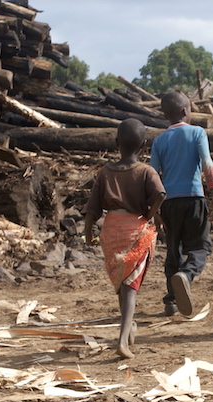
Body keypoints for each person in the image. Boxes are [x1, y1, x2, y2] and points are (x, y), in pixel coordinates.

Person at [82, 118, 166, 358]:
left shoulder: (106, 172)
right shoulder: (145, 171)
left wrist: (88, 231)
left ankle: (129, 331)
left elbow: (92, 207)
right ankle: (122, 342)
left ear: (117, 143)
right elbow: (160, 193)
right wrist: (150, 215)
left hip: (111, 230)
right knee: (130, 286)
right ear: (144, 145)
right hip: (134, 230)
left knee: (123, 283)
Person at [150, 91, 213, 317]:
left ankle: (171, 301)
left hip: (169, 203)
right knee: (200, 247)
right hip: (194, 198)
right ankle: (187, 274)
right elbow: (207, 164)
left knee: (173, 250)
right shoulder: (198, 133)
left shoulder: (159, 141)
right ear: (184, 111)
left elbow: (153, 176)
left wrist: (154, 210)